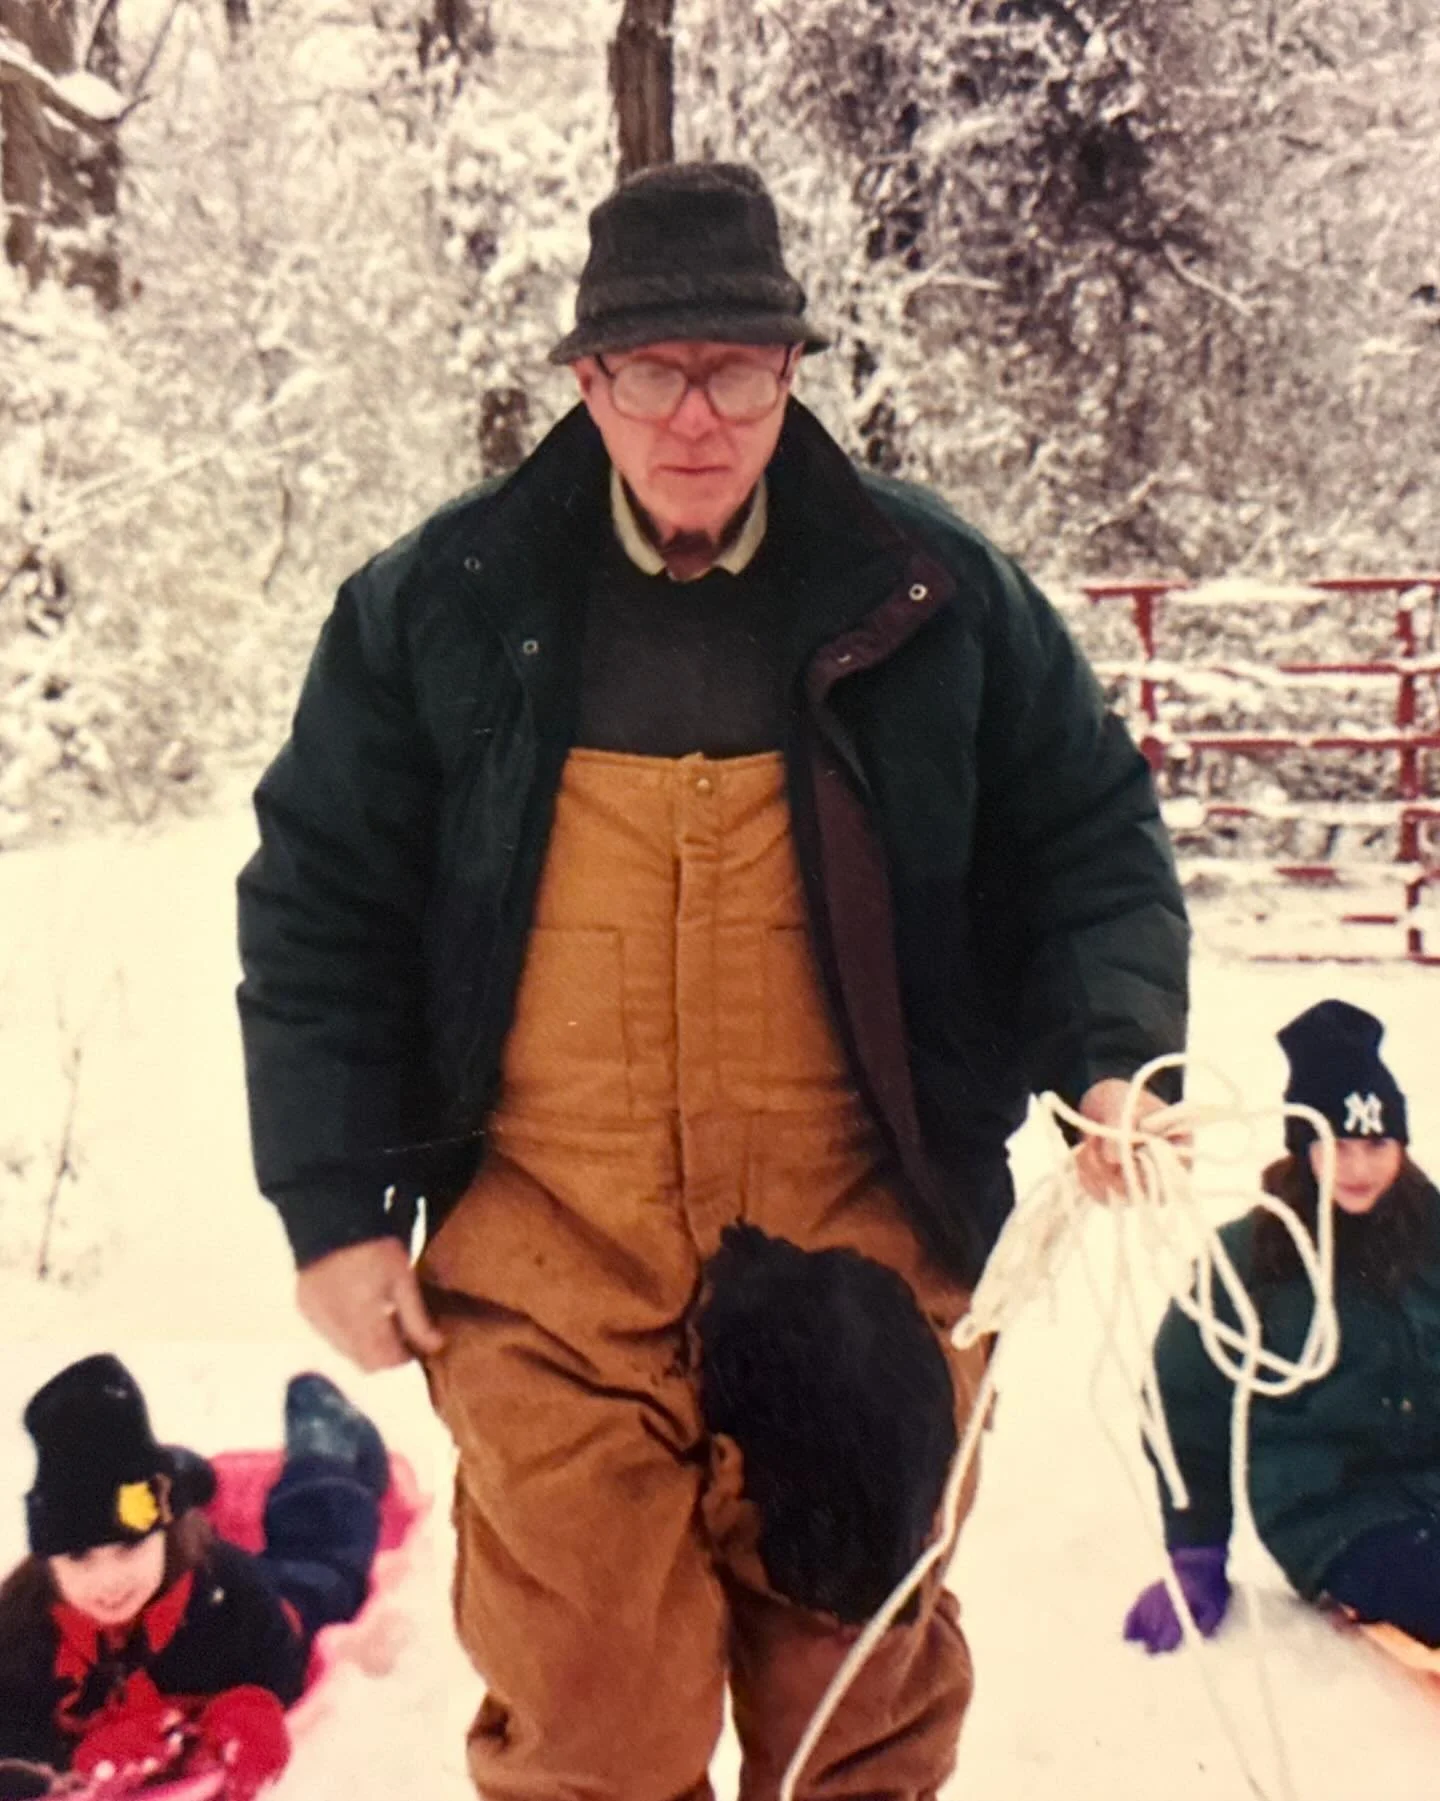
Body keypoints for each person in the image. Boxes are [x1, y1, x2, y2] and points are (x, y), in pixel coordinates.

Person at [236, 160, 1189, 1799]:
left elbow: (1087, 833)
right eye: (656, 372)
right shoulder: (443, 609)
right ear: (589, 379)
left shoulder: (930, 597)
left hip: (860, 1237)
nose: (699, 415)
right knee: (596, 1711)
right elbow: (322, 903)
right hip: (549, 1248)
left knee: (853, 1693)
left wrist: (1112, 1056)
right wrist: (331, 1208)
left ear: (795, 373)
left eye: (738, 370)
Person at [1125, 999, 1440, 1656]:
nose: (1358, 1167)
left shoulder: (1431, 1238)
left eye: (1376, 1144)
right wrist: (1197, 1549)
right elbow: (1183, 1398)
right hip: (1338, 1513)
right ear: (1304, 1147)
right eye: (1337, 1145)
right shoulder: (1252, 1259)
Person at [0, 1355, 388, 1796]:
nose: (107, 1581)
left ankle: (327, 1449)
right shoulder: (20, 1633)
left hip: (261, 1588)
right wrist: (73, 1762)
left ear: (164, 1534)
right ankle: (179, 1474)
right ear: (47, 1561)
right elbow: (10, 1736)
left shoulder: (227, 1592)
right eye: (78, 1558)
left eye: (129, 1548)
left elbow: (278, 1661)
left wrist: (249, 1705)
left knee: (323, 1568)